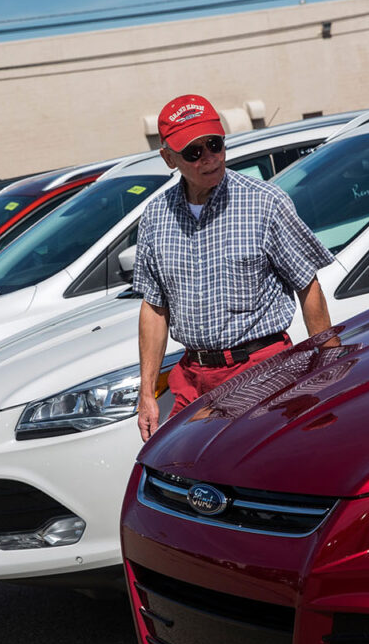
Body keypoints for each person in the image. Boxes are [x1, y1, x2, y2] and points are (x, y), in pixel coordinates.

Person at [134, 94, 338, 441]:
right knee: (181, 467)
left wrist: (332, 363)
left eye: (214, 144)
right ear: (168, 158)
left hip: (262, 370)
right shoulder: (155, 217)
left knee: (257, 470)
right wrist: (146, 392)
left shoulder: (265, 202)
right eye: (193, 152)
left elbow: (307, 284)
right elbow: (154, 308)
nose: (209, 158)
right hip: (193, 377)